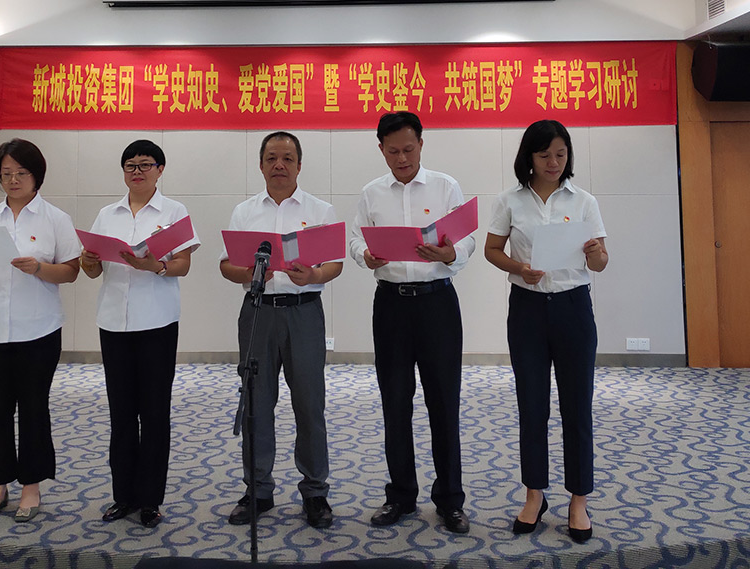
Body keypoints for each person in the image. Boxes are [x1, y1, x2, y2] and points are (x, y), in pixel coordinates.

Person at [349, 111, 475, 534]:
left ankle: (450, 500)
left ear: (421, 144)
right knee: (395, 402)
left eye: (408, 149)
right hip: (391, 306)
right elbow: (355, 238)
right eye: (392, 152)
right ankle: (401, 495)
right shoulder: (371, 193)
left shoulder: (445, 186)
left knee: (444, 403)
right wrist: (365, 256)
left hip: (437, 304)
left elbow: (467, 237)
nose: (401, 159)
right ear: (381, 150)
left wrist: (451, 253)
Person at [484, 119, 608, 543]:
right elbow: (492, 250)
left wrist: (595, 252)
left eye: (560, 154)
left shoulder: (584, 201)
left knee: (577, 407)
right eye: (544, 155)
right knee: (532, 407)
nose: (553, 162)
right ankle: (534, 494)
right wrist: (519, 268)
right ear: (529, 158)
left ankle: (579, 499)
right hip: (528, 309)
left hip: (574, 309)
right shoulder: (510, 200)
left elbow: (600, 263)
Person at [219, 131, 342, 529]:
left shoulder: (320, 210)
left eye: (288, 158)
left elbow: (335, 264)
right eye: (271, 157)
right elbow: (226, 265)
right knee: (256, 403)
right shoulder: (244, 212)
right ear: (260, 165)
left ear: (299, 165)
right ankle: (258, 490)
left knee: (309, 404)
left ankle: (315, 491)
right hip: (258, 312)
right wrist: (250, 272)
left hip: (304, 313)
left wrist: (314, 275)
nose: (279, 165)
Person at [80, 140, 200, 529]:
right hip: (114, 322)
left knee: (154, 413)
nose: (137, 171)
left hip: (157, 323)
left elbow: (183, 264)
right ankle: (124, 496)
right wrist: (87, 260)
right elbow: (92, 271)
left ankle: (150, 499)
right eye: (130, 165)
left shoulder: (174, 212)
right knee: (121, 414)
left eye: (145, 164)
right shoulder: (107, 214)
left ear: (160, 170)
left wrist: (154, 266)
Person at [0, 138, 81, 523]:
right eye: (5, 174)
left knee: (33, 408)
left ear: (36, 176)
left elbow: (72, 271)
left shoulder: (55, 219)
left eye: (21, 173)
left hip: (38, 331)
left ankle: (31, 486)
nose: (13, 180)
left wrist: (40, 269)